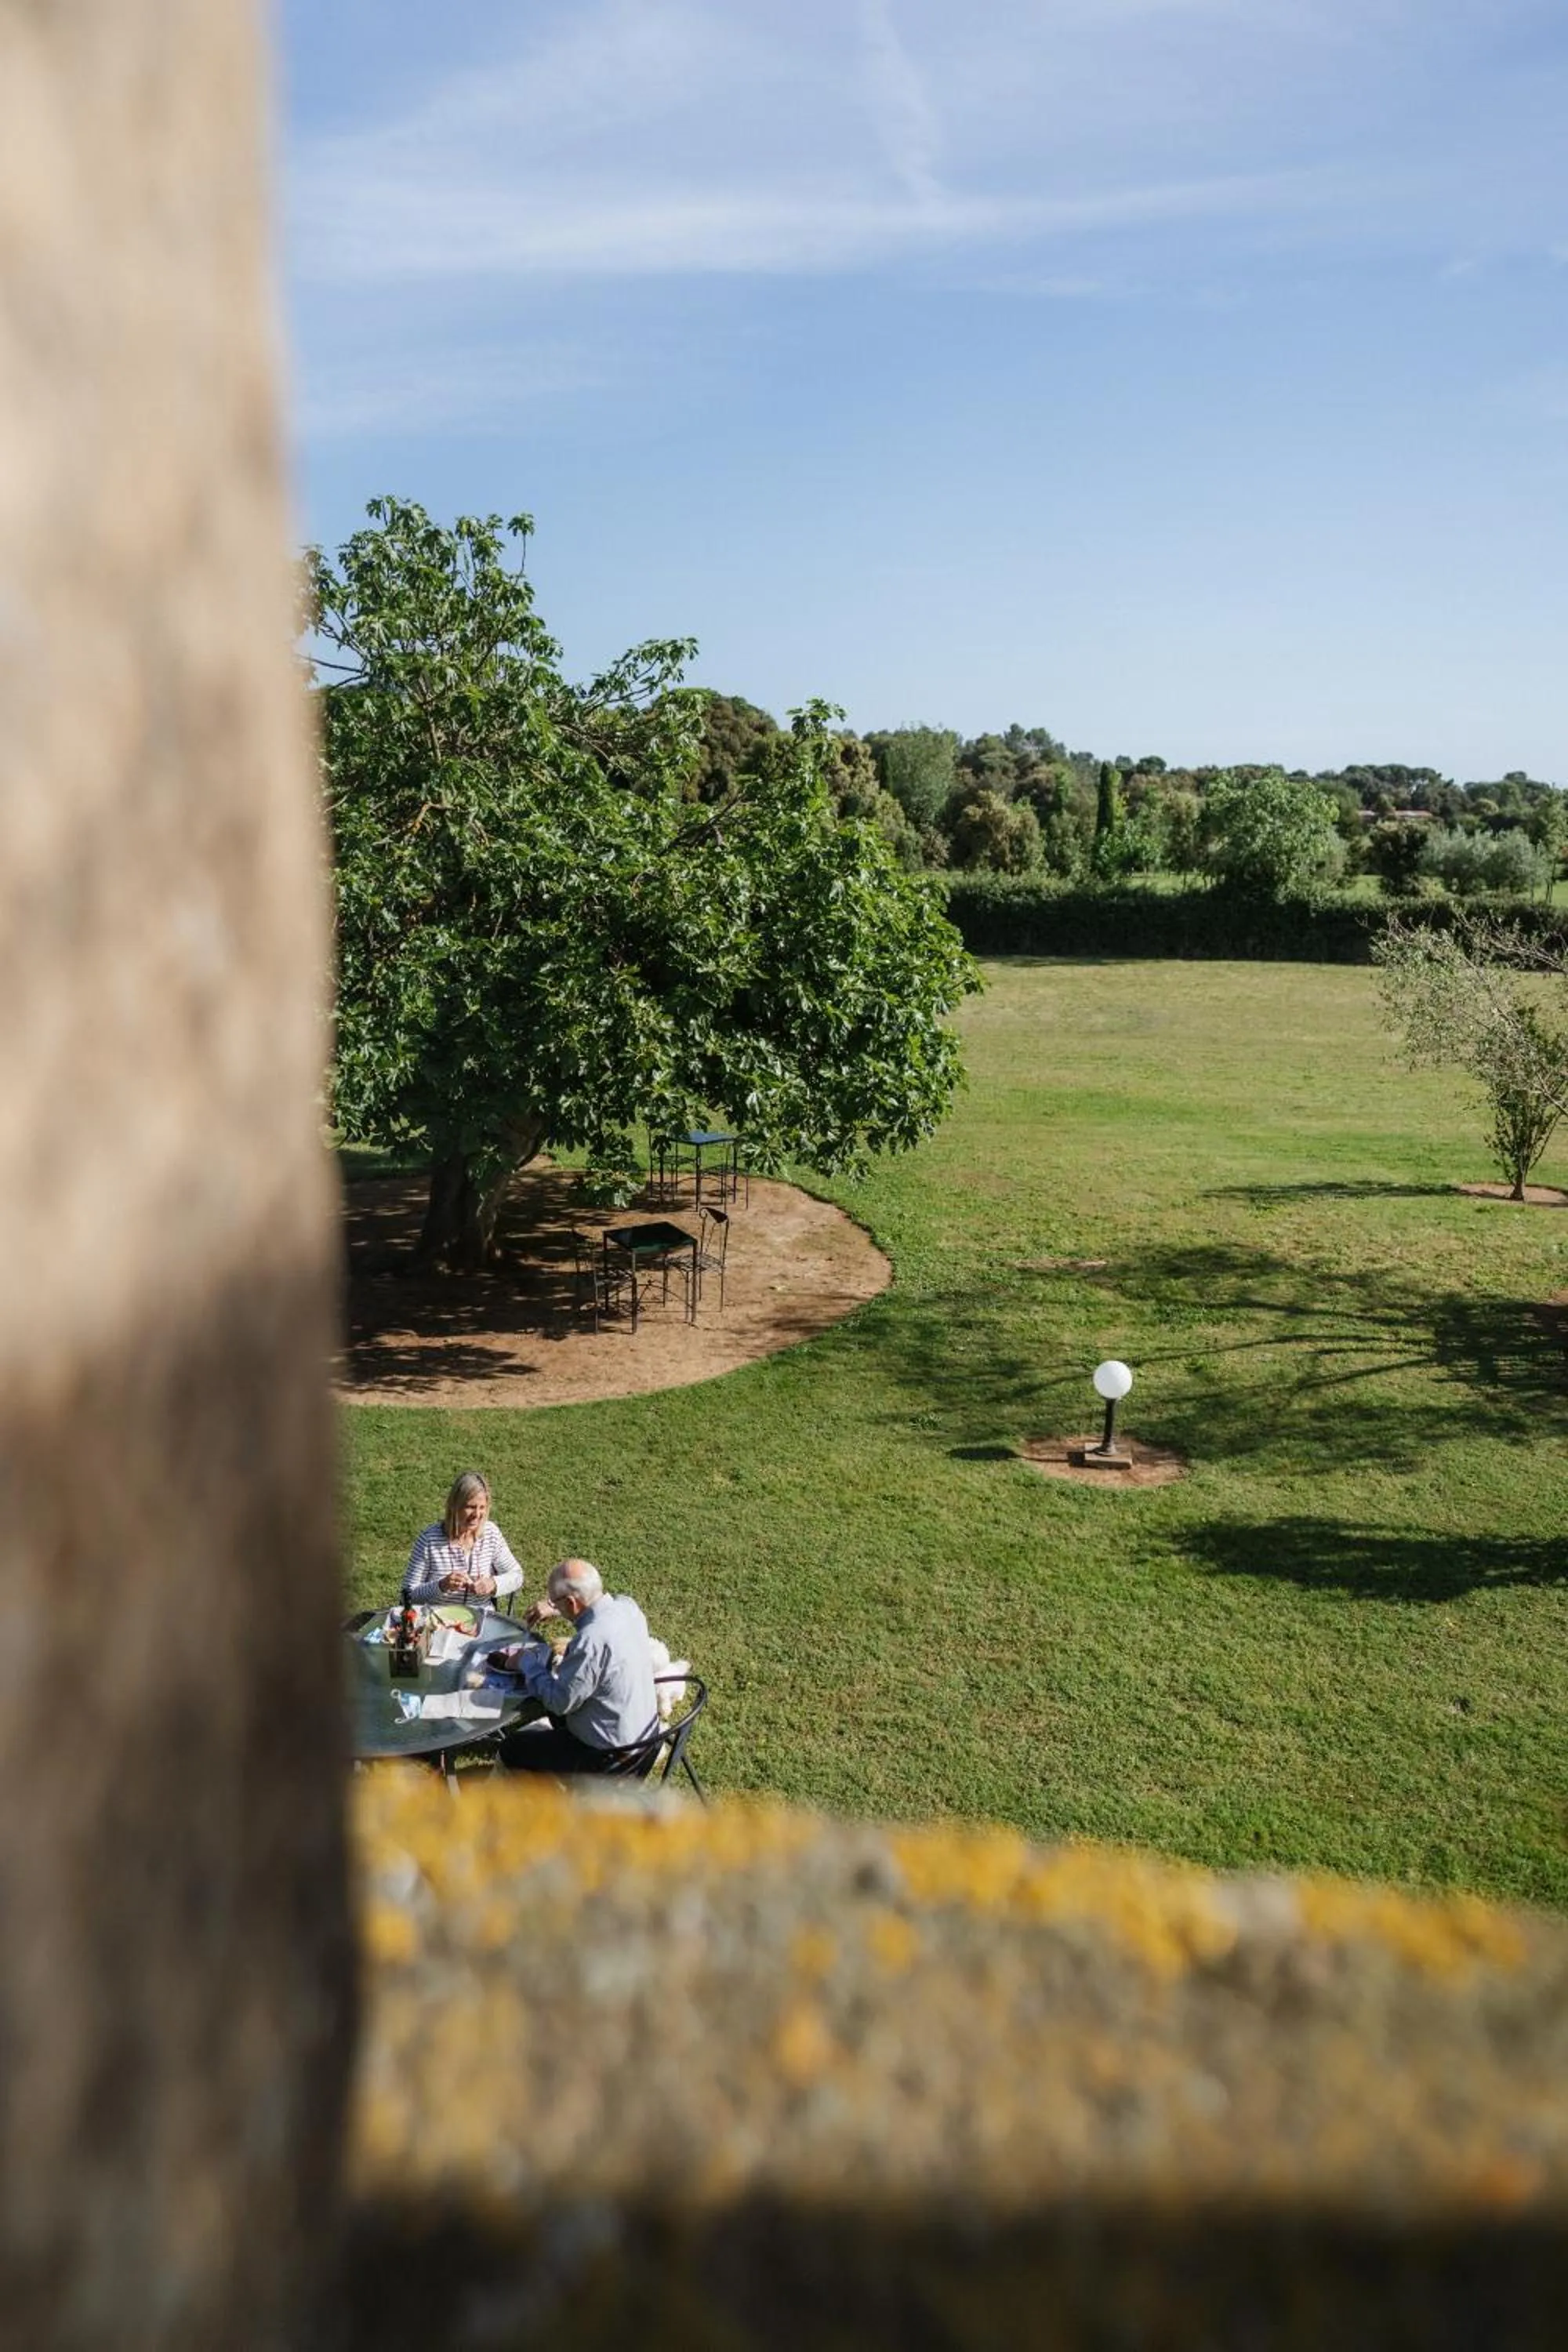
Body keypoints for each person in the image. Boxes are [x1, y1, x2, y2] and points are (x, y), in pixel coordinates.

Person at [497, 1558, 659, 1776]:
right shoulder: (628, 1607)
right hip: (647, 1738)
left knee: (511, 1747)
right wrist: (555, 1609)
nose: (553, 1606)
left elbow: (559, 1703)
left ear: (572, 1603)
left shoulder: (590, 1642)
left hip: (615, 1760)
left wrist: (526, 1663)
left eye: (555, 1602)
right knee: (554, 1700)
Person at [401, 1472, 524, 1606]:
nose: (477, 1515)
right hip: (438, 1621)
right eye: (470, 1507)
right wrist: (441, 1586)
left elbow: (517, 1576)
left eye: (482, 1507)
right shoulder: (429, 1540)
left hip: (480, 1619)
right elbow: (407, 1595)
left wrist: (493, 1584)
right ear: (455, 1506)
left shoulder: (491, 1534)